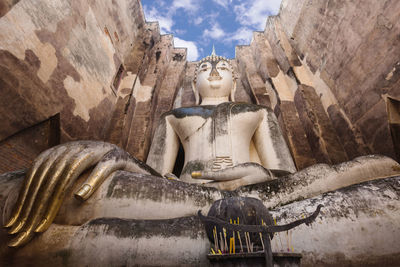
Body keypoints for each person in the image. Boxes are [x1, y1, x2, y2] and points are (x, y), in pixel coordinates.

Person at [3, 51, 295, 247]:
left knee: (336, 178)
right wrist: (119, 156)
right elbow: (155, 175)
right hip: (185, 195)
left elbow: (286, 175)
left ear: (234, 81)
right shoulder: (173, 117)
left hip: (259, 193)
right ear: (194, 83)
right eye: (205, 68)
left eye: (222, 68)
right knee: (71, 189)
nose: (214, 72)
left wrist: (251, 172)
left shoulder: (258, 113)